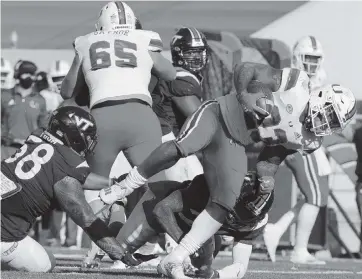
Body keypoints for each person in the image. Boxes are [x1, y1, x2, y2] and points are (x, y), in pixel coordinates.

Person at [99, 61, 356, 278]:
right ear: (322, 97)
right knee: (181, 148)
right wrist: (244, 94)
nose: (326, 123)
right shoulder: (295, 83)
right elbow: (246, 69)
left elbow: (273, 154)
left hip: (236, 142)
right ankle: (127, 184)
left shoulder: (310, 140)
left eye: (333, 123)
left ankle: (179, 255)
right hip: (219, 113)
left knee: (225, 202)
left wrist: (266, 175)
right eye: (329, 114)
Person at [60, 1, 176, 266]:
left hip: (102, 117)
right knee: (158, 186)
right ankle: (146, 244)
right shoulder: (145, 37)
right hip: (141, 116)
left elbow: (68, 92)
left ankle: (97, 248)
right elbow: (169, 73)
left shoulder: (86, 41)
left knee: (94, 186)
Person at [0, 106, 133, 272]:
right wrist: (121, 254)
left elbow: (63, 175)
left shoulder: (37, 136)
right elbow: (87, 219)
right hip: (5, 234)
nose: (90, 141)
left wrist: (112, 182)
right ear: (76, 135)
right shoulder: (68, 165)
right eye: (88, 136)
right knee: (46, 264)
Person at [107, 172, 272, 279]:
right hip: (158, 202)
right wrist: (185, 246)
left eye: (249, 218)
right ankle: (118, 205)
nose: (241, 222)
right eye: (240, 214)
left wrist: (216, 275)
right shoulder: (205, 188)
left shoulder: (256, 222)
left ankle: (167, 263)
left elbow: (240, 267)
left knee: (202, 264)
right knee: (117, 252)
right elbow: (162, 209)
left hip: (192, 225)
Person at [263, 36, 332, 264]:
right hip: (298, 141)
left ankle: (276, 230)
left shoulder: (318, 78)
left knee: (317, 193)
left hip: (309, 140)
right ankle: (299, 249)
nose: (312, 63)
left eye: (315, 59)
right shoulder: (290, 77)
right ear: (297, 57)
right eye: (308, 58)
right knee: (314, 195)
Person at [1, 60, 48, 160]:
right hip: (5, 150)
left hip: (29, 152)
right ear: (17, 75)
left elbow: (43, 127)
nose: (29, 77)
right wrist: (10, 138)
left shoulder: (40, 100)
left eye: (32, 74)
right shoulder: (4, 96)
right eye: (25, 73)